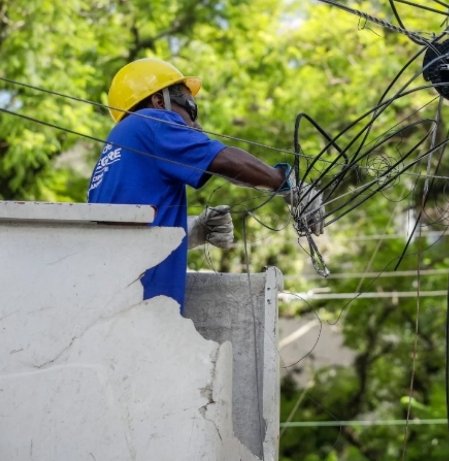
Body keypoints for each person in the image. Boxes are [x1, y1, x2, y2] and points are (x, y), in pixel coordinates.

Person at [87, 57, 324, 305]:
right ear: (160, 101)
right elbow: (225, 161)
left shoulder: (113, 156)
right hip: (141, 310)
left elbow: (129, 237)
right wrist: (286, 184)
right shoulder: (151, 121)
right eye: (191, 109)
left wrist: (193, 231)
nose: (196, 124)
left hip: (114, 305)